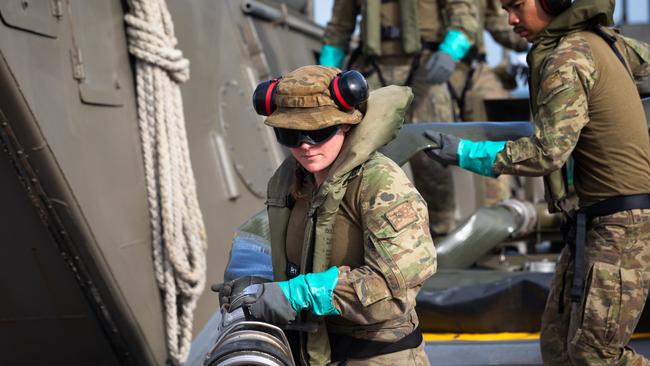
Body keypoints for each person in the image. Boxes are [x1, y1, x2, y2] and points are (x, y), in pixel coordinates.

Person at [426, 0, 650, 364]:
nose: (510, 19)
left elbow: (549, 151)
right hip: (591, 222)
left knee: (596, 355)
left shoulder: (568, 57)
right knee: (558, 348)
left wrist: (466, 153)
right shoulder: (606, 41)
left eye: (516, 6)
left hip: (621, 228)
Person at [221, 65, 436, 365]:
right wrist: (257, 285)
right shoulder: (295, 182)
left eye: (319, 132)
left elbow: (392, 291)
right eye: (291, 135)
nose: (305, 145)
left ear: (347, 125)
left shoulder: (382, 186)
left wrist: (297, 295)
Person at [320, 0, 482, 236]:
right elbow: (339, 28)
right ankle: (369, 232)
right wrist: (326, 74)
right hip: (373, 69)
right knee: (360, 152)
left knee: (432, 153)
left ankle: (441, 231)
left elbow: (464, 14)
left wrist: (450, 51)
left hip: (426, 68)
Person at [447, 0, 529, 205]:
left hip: (472, 68)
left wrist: (530, 32)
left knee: (495, 125)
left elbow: (497, 20)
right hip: (416, 69)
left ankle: (501, 211)